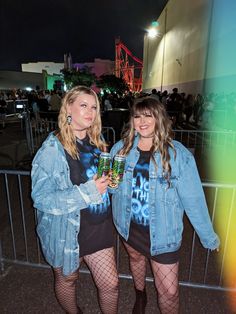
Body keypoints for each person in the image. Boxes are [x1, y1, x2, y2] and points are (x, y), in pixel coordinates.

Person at [109, 97, 220, 314]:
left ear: (159, 118)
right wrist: (105, 181)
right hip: (128, 227)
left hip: (163, 233)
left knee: (169, 292)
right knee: (135, 258)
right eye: (137, 116)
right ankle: (140, 294)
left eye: (148, 115)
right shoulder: (120, 150)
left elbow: (194, 200)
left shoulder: (178, 155)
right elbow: (113, 189)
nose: (142, 121)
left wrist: (208, 236)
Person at [31, 85, 118, 314]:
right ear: (68, 108)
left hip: (98, 227)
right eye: (83, 105)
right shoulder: (52, 149)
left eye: (93, 107)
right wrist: (86, 192)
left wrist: (112, 184)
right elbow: (41, 198)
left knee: (111, 285)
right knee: (68, 280)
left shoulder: (98, 143)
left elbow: (101, 185)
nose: (90, 112)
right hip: (66, 231)